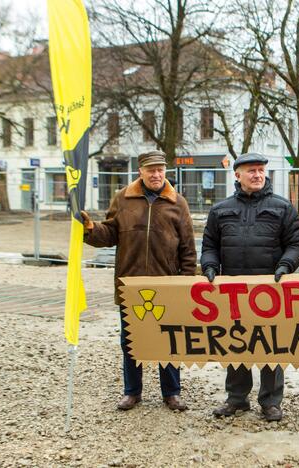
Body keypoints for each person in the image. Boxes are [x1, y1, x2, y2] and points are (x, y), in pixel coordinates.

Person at [81, 150, 196, 412]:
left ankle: (171, 393)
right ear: (140, 172)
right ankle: (132, 392)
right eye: (151, 170)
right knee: (131, 340)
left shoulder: (178, 202)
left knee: (168, 340)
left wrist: (186, 284)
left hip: (166, 286)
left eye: (160, 170)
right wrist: (90, 229)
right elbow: (109, 233)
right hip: (131, 284)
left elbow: (188, 249)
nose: (156, 175)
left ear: (165, 171)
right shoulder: (123, 198)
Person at [200, 152, 299, 422]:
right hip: (233, 291)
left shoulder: (282, 207)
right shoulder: (220, 210)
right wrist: (209, 267)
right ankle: (237, 398)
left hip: (270, 291)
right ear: (237, 175)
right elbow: (210, 246)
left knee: (271, 345)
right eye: (251, 171)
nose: (258, 175)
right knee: (237, 344)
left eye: (261, 170)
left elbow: (297, 243)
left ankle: (270, 401)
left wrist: (286, 265)